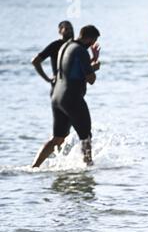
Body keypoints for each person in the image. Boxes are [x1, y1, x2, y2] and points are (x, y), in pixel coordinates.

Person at [32, 25, 101, 168]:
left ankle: (34, 167)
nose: (92, 44)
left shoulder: (65, 46)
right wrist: (95, 65)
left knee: (57, 138)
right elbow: (91, 79)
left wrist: (92, 59)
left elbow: (70, 69)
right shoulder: (81, 51)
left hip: (57, 97)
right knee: (86, 136)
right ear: (90, 38)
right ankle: (89, 167)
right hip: (72, 98)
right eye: (93, 41)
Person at [31, 21, 74, 96]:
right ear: (60, 31)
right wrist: (47, 79)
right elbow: (35, 61)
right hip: (58, 87)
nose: (70, 31)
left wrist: (94, 57)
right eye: (67, 29)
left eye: (71, 29)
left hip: (73, 87)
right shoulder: (55, 45)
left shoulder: (75, 45)